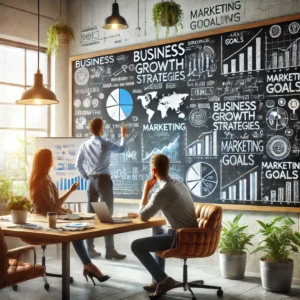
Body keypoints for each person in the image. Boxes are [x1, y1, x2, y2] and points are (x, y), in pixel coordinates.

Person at [28, 148, 110, 286]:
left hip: (49, 218)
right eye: (51, 157)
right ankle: (89, 265)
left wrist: (68, 197)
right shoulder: (43, 181)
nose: (54, 159)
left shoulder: (44, 178)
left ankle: (88, 265)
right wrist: (64, 203)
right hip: (45, 222)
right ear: (47, 161)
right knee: (76, 233)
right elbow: (53, 207)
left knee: (81, 225)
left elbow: (53, 205)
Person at [131, 154, 198, 299]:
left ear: (153, 172)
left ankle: (163, 280)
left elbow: (143, 215)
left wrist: (146, 190)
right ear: (168, 167)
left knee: (136, 246)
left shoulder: (163, 191)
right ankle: (157, 280)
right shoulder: (179, 184)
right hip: (191, 235)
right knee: (158, 230)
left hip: (179, 237)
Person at [76, 117, 127, 259]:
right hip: (103, 181)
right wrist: (123, 136)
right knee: (106, 216)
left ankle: (89, 249)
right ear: (100, 129)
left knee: (90, 216)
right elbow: (122, 149)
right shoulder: (104, 143)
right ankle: (109, 250)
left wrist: (87, 177)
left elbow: (78, 164)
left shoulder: (84, 145)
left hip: (90, 181)